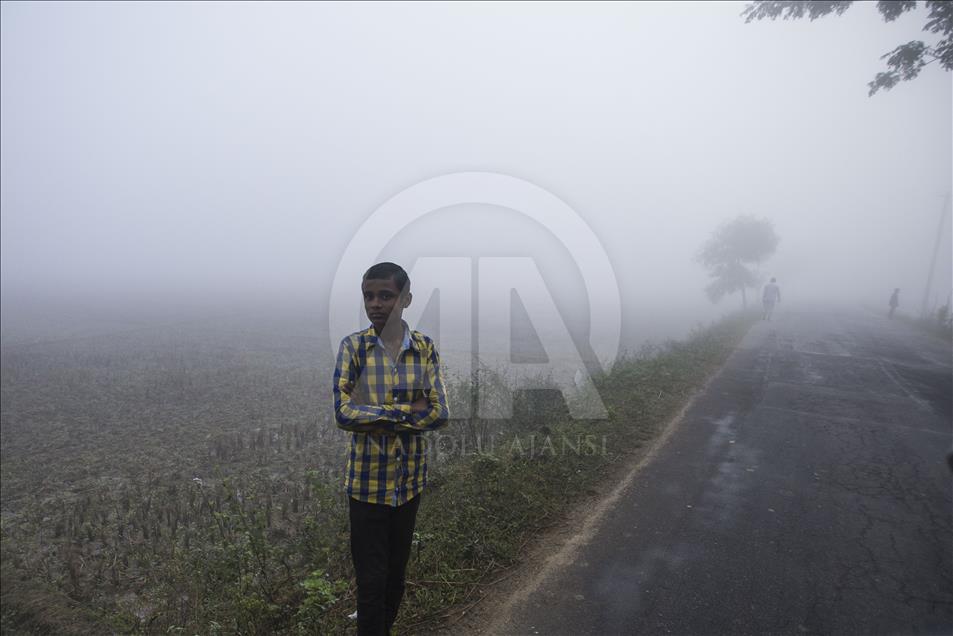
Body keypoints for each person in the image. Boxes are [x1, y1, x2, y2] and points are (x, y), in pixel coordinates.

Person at [333, 262, 449, 636]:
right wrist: (406, 410)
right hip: (366, 487)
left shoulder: (424, 349)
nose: (376, 304)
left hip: (409, 485)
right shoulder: (354, 348)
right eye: (369, 296)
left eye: (386, 295)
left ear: (406, 299)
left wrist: (373, 413)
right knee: (370, 582)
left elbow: (439, 413)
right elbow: (344, 413)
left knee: (395, 578)